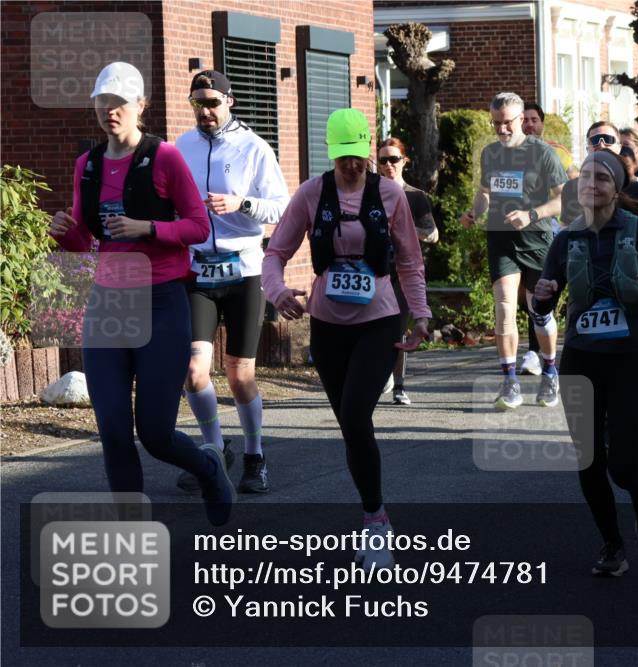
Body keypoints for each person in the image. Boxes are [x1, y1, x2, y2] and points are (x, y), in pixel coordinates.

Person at [48, 62, 234, 525]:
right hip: (109, 303)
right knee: (112, 429)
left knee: (155, 433)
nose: (110, 111)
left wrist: (147, 227)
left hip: (161, 302)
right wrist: (63, 233)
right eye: (102, 102)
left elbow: (197, 226)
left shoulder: (165, 157)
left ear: (140, 106)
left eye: (119, 103)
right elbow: (87, 242)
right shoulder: (86, 165)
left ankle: (209, 467)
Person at [262, 108, 431, 566]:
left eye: (359, 157)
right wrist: (277, 293)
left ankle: (376, 524)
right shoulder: (312, 194)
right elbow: (275, 252)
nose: (353, 166)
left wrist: (420, 314)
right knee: (350, 428)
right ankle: (374, 512)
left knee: (357, 416)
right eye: (344, 160)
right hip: (327, 323)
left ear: (368, 153)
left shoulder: (391, 194)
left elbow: (410, 263)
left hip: (379, 319)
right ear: (331, 156)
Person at [532, 150, 638, 576]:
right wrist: (541, 297)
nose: (590, 183)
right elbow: (544, 301)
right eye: (584, 176)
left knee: (621, 464)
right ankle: (612, 545)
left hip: (632, 359)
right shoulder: (565, 239)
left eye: (601, 177)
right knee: (588, 460)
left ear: (616, 188)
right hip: (582, 358)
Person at [174, 70, 290, 494]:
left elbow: (281, 208)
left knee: (240, 374)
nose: (205, 111)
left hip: (243, 271)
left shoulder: (254, 148)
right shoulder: (180, 148)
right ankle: (215, 449)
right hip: (198, 270)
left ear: (230, 101)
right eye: (197, 104)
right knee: (192, 370)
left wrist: (242, 204)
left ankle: (256, 456)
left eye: (212, 103)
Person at [460, 92, 567, 410]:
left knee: (539, 312)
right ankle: (510, 383)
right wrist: (474, 212)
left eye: (507, 123)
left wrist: (531, 215)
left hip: (537, 241)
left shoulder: (543, 154)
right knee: (504, 308)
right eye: (496, 124)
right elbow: (484, 193)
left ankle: (549, 371)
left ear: (521, 119)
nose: (501, 130)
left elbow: (563, 200)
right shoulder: (490, 153)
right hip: (501, 240)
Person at [376, 137, 438, 405]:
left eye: (394, 159)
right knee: (376, 328)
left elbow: (432, 234)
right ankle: (381, 373)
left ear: (404, 162)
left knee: (399, 327)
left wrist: (404, 232)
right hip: (375, 269)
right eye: (383, 160)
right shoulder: (370, 194)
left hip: (404, 270)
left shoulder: (415, 196)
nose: (389, 165)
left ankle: (399, 385)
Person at [518, 102, 572, 375]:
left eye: (534, 119)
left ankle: (543, 350)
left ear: (542, 123)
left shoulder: (555, 153)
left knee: (544, 289)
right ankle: (534, 351)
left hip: (551, 229)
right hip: (518, 234)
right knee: (527, 294)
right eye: (525, 119)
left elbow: (570, 186)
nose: (529, 124)